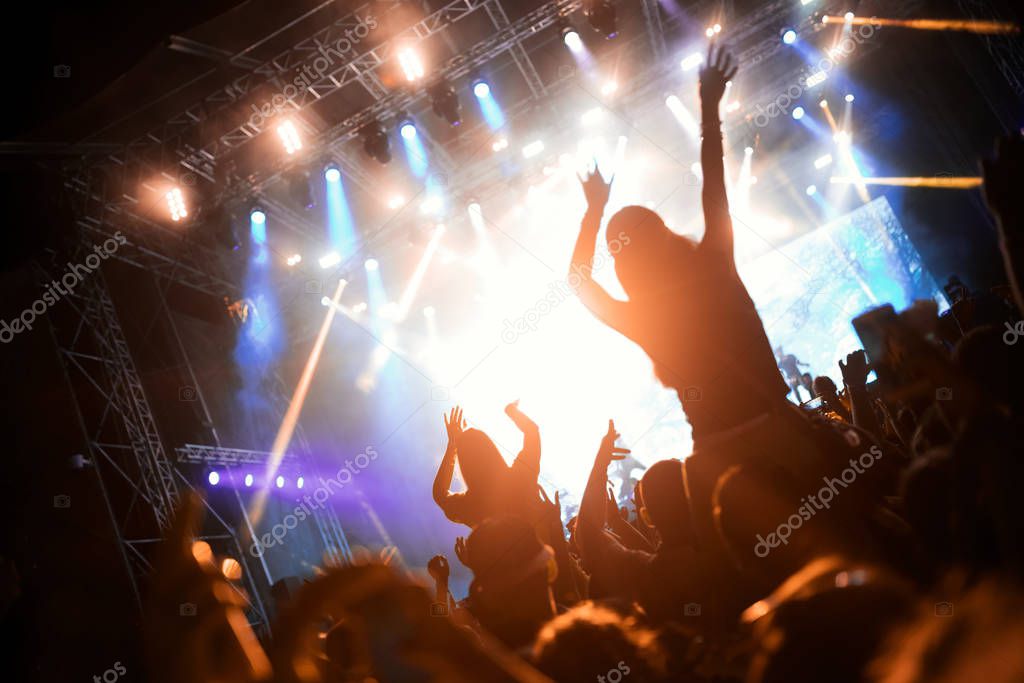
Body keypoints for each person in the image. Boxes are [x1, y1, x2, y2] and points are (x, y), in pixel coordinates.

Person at [569, 45, 790, 439]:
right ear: (665, 234)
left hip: (719, 451)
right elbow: (714, 185)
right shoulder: (714, 263)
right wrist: (708, 109)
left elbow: (579, 281)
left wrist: (594, 211)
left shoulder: (643, 318)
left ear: (623, 265)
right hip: (781, 427)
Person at [575, 421, 706, 627]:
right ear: (699, 496)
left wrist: (600, 464)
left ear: (647, 518)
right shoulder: (737, 549)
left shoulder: (648, 576)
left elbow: (588, 534)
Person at [432, 403, 543, 529]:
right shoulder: (521, 476)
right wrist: (512, 412)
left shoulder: (471, 509)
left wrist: (453, 446)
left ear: (464, 466)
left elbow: (440, 495)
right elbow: (532, 432)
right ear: (491, 449)